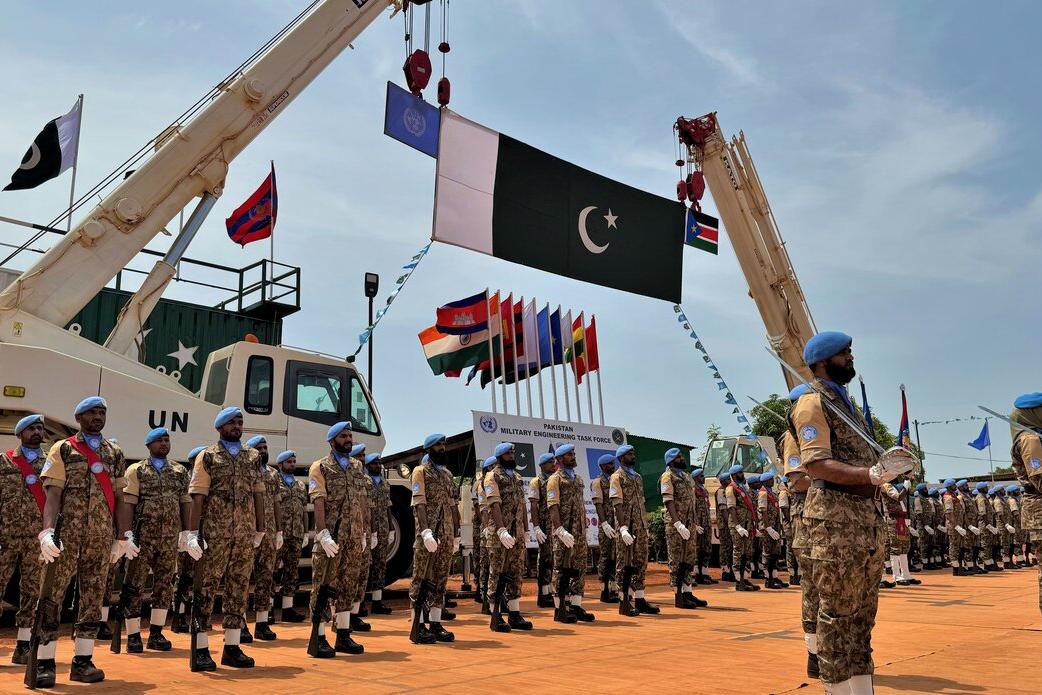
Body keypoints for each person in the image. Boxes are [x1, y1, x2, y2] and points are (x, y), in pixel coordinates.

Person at [789, 331, 913, 694]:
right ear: (823, 362)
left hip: (865, 521)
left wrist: (887, 473)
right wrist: (869, 474)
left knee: (862, 618)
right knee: (836, 617)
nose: (851, 358)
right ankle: (837, 689)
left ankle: (862, 688)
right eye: (845, 354)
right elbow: (816, 464)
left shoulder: (848, 405)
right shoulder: (812, 403)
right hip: (834, 523)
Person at [32, 397, 130, 687]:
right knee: (52, 597)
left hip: (100, 539)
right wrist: (47, 532)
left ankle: (83, 661)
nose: (98, 417)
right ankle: (45, 661)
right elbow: (53, 494)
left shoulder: (114, 453)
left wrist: (123, 536)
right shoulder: (63, 448)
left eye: (102, 412)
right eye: (92, 412)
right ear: (79, 417)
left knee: (92, 599)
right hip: (67, 537)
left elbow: (121, 497)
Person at [185, 407, 266, 670]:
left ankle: (232, 647)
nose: (237, 426)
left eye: (240, 422)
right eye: (232, 422)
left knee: (239, 588)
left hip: (243, 534)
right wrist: (192, 533)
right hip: (214, 535)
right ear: (220, 427)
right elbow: (198, 496)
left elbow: (258, 493)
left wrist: (260, 528)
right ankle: (201, 648)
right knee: (206, 588)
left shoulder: (252, 456)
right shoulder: (208, 457)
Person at [118, 427, 191, 653]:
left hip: (169, 539)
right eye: (159, 441)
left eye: (167, 440)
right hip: (142, 539)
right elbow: (129, 503)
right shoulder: (137, 470)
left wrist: (186, 532)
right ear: (148, 446)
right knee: (134, 586)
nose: (164, 444)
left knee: (164, 585)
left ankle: (157, 633)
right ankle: (132, 635)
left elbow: (185, 502)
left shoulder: (179, 471)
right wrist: (127, 534)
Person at [307, 421, 371, 657]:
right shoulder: (321, 467)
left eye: (349, 436)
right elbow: (319, 500)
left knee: (348, 585)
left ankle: (343, 634)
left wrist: (364, 531)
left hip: (353, 538)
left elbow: (362, 500)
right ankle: (319, 636)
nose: (348, 439)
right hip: (330, 539)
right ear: (332, 440)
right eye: (343, 436)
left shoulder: (356, 467)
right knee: (323, 586)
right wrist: (322, 533)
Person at [0, 414, 47, 665]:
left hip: (36, 539)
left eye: (40, 428)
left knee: (31, 591)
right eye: (32, 428)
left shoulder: (51, 462)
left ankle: (23, 646)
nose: (37, 432)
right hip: (5, 537)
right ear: (20, 434)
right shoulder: (4, 461)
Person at [782, 384, 819, 679]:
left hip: (824, 519)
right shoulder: (794, 438)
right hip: (806, 522)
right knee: (814, 589)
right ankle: (814, 653)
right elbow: (798, 480)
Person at [408, 434, 458, 643]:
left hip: (445, 536)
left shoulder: (447, 474)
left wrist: (456, 533)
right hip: (429, 536)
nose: (442, 448)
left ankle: (436, 623)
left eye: (444, 444)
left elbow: (453, 505)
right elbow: (419, 503)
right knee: (422, 579)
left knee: (440, 580)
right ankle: (418, 624)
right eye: (438, 445)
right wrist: (425, 531)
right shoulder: (421, 472)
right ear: (429, 448)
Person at [483, 442, 533, 632]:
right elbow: (494, 505)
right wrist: (501, 530)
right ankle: (496, 615)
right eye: (508, 453)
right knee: (497, 573)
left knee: (516, 573)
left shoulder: (518, 477)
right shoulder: (492, 477)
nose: (512, 456)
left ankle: (514, 613)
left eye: (513, 453)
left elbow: (522, 506)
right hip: (500, 535)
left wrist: (526, 530)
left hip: (517, 533)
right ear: (499, 457)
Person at [546, 444, 595, 622]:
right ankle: (560, 609)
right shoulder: (555, 479)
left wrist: (584, 528)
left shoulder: (578, 479)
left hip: (579, 533)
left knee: (579, 569)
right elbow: (553, 506)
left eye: (573, 453)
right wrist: (560, 530)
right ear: (559, 460)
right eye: (569, 455)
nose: (573, 456)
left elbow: (580, 506)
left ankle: (576, 605)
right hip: (564, 533)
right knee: (561, 570)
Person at [241, 435, 282, 642]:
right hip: (248, 531)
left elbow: (276, 503)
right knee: (242, 579)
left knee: (266, 578)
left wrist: (279, 531)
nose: (264, 451)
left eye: (265, 447)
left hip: (269, 533)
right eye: (259, 448)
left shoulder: (273, 474)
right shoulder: (244, 471)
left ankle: (262, 623)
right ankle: (239, 624)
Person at [610, 444, 658, 616]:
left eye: (633, 453)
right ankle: (624, 601)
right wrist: (622, 527)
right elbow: (618, 505)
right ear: (622, 458)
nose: (633, 456)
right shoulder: (617, 477)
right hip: (627, 527)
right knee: (624, 564)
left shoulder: (637, 477)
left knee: (640, 563)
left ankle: (640, 599)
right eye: (630, 454)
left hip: (640, 526)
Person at [660, 448, 706, 608]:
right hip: (676, 525)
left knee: (688, 558)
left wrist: (692, 523)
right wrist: (677, 523)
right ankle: (678, 595)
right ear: (672, 460)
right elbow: (668, 501)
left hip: (689, 524)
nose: (682, 458)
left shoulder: (686, 477)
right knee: (677, 560)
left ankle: (688, 592)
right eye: (679, 457)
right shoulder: (667, 477)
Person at [171, 445, 206, 634]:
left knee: (195, 577)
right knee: (183, 576)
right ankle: (179, 615)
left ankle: (193, 615)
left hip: (202, 535)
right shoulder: (185, 479)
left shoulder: (206, 479)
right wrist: (183, 533)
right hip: (185, 534)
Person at [273, 451, 307, 622]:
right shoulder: (274, 482)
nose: (292, 464)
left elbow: (304, 511)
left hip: (297, 534)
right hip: (280, 534)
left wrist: (306, 532)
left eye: (294, 461)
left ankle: (287, 609)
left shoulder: (300, 485)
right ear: (280, 465)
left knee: (291, 572)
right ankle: (268, 608)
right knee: (271, 570)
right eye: (288, 462)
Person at [364, 452, 394, 615]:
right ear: (368, 465)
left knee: (380, 565)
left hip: (382, 530)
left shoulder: (384, 483)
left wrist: (391, 528)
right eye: (374, 463)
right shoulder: (364, 482)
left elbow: (388, 506)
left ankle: (377, 601)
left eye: (379, 463)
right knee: (364, 566)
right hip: (367, 530)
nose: (378, 465)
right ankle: (359, 602)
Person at [528, 452, 557, 609]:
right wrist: (537, 527)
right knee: (545, 560)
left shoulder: (555, 479)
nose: (553, 465)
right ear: (542, 465)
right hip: (545, 524)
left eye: (554, 462)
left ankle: (551, 592)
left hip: (556, 525)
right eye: (550, 463)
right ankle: (543, 594)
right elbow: (534, 505)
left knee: (554, 560)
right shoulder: (536, 482)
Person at [591, 453, 620, 602]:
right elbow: (598, 504)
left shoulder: (615, 480)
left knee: (615, 556)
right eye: (609, 464)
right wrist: (604, 523)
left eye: (612, 463)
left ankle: (614, 587)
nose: (612, 466)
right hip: (606, 525)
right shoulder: (598, 482)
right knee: (606, 557)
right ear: (603, 466)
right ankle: (604, 590)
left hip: (616, 524)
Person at [725, 464, 758, 592]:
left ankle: (745, 578)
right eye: (739, 473)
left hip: (747, 524)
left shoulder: (744, 488)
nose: (742, 474)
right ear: (733, 475)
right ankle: (739, 581)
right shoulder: (731, 489)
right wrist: (737, 525)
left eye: (741, 472)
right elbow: (732, 508)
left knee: (747, 552)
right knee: (738, 552)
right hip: (737, 524)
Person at [881, 482, 919, 585]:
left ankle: (906, 574)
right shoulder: (886, 485)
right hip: (893, 519)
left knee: (904, 547)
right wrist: (905, 488)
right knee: (895, 547)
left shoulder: (895, 486)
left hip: (901, 519)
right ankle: (897, 575)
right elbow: (897, 497)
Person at [757, 469, 788, 589]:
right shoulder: (763, 493)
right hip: (767, 527)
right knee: (767, 553)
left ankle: (774, 577)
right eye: (770, 480)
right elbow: (763, 511)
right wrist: (768, 528)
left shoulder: (772, 493)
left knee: (775, 553)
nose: (772, 481)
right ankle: (767, 579)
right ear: (765, 481)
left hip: (775, 526)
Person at [476, 455, 497, 614]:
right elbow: (482, 509)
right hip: (486, 529)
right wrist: (485, 529)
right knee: (485, 563)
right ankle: (484, 595)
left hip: (496, 529)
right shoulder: (482, 484)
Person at [691, 467, 716, 586]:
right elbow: (692, 509)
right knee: (698, 549)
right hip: (699, 523)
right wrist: (695, 524)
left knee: (706, 548)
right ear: (695, 478)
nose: (703, 478)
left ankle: (705, 573)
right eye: (701, 476)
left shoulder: (704, 490)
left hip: (706, 522)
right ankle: (697, 574)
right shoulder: (694, 490)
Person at [957, 479, 985, 574]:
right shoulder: (960, 497)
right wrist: (969, 526)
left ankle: (974, 565)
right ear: (960, 487)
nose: (967, 486)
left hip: (974, 524)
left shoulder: (968, 496)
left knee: (974, 546)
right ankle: (969, 566)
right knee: (967, 546)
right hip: (967, 526)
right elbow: (963, 513)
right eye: (965, 485)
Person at [942, 478, 968, 576]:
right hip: (953, 526)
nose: (955, 486)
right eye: (953, 485)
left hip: (958, 525)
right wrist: (956, 526)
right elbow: (949, 513)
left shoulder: (954, 496)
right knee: (953, 546)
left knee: (958, 546)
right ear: (949, 487)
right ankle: (955, 568)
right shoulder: (948, 497)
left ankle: (959, 567)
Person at [715, 469, 735, 582]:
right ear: (723, 481)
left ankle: (730, 569)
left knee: (730, 546)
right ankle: (725, 570)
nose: (730, 481)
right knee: (725, 546)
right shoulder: (720, 491)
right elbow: (723, 510)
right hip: (724, 523)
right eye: (728, 479)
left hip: (729, 523)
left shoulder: (728, 490)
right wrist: (729, 523)